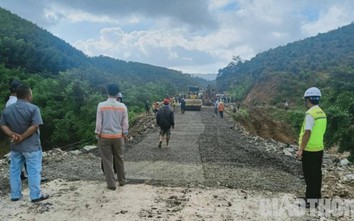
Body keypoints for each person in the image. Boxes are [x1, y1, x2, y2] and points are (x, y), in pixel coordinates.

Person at [0, 84, 49, 202]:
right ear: (28, 96)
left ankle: (15, 195)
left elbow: (2, 125)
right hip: (31, 146)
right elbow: (35, 126)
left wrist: (12, 134)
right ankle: (35, 195)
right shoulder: (33, 109)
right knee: (33, 170)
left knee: (15, 170)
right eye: (31, 94)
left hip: (15, 146)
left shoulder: (7, 109)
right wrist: (22, 136)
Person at [296, 87, 327, 209]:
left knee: (309, 175)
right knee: (316, 175)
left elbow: (307, 132)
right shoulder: (321, 113)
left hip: (309, 150)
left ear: (308, 99)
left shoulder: (310, 114)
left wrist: (300, 150)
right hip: (319, 148)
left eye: (305, 100)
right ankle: (315, 198)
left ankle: (310, 201)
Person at [95, 83, 129, 190]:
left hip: (104, 136)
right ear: (117, 93)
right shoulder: (122, 106)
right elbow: (125, 123)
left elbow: (99, 122)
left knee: (107, 160)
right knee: (120, 158)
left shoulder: (101, 105)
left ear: (107, 92)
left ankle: (111, 184)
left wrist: (97, 133)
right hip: (118, 136)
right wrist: (124, 134)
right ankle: (122, 180)